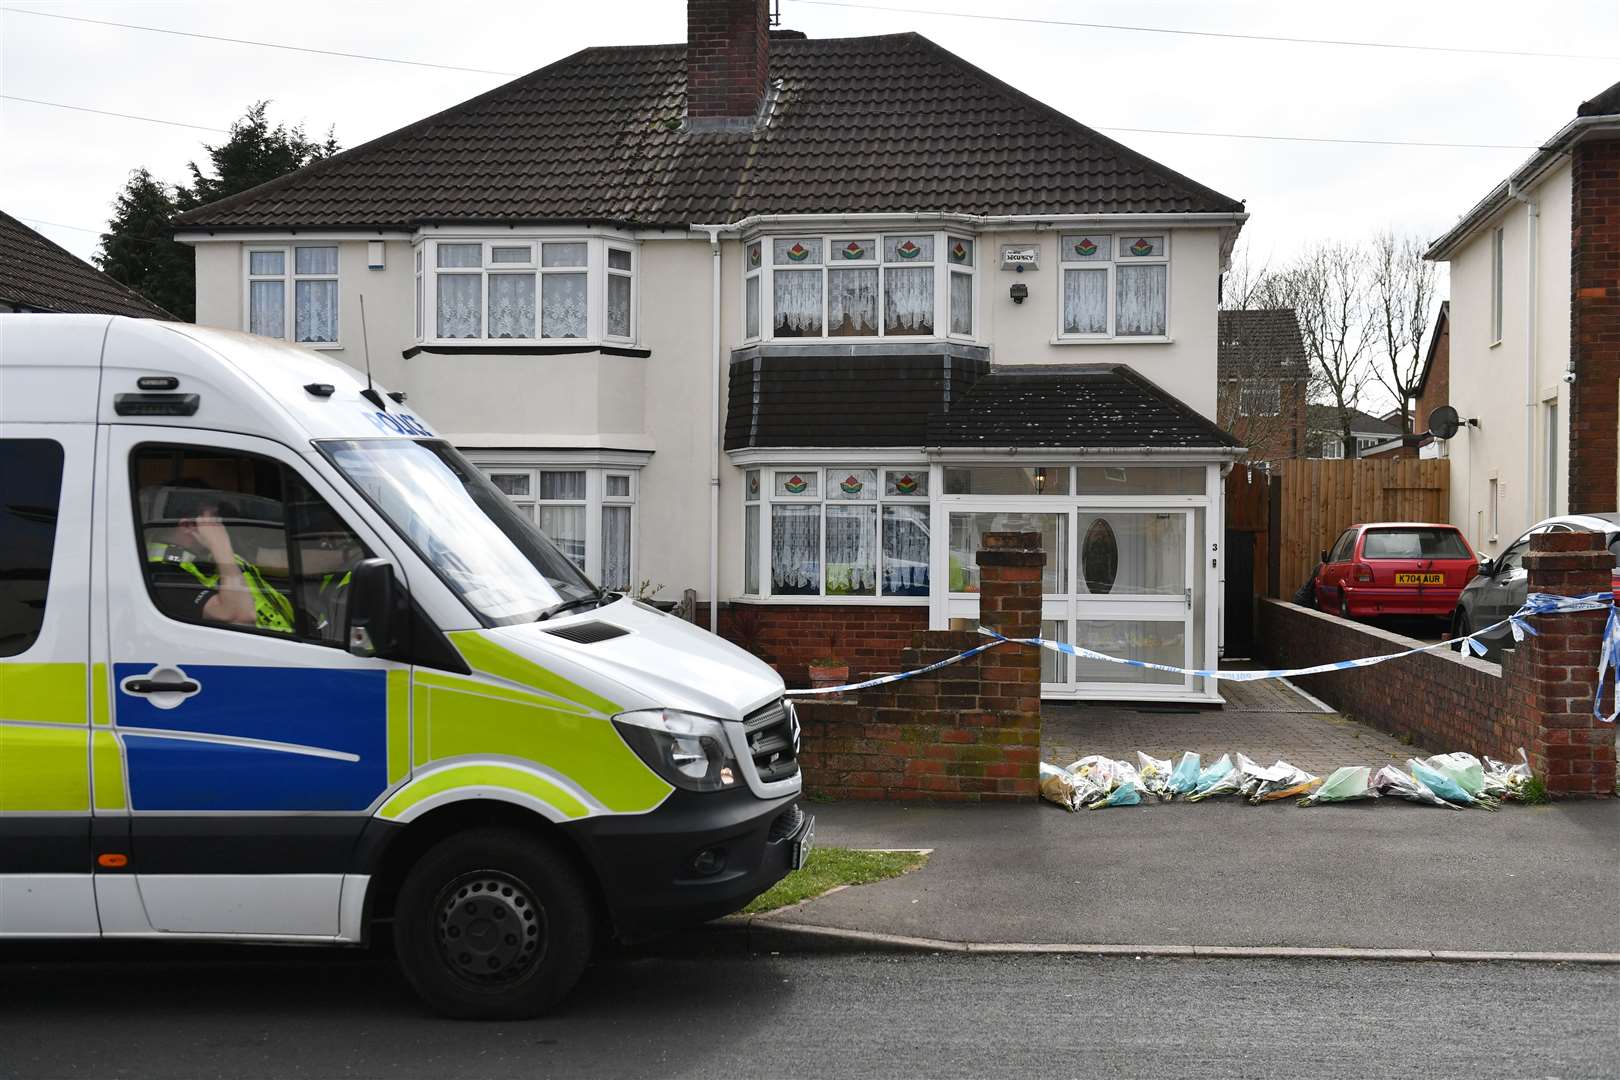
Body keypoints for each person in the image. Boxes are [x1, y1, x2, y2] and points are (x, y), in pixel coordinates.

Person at [144, 481, 295, 633]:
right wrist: (220, 545)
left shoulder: (203, 555)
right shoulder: (162, 571)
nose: (221, 523)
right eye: (214, 517)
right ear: (188, 526)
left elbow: (280, 561)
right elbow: (240, 616)